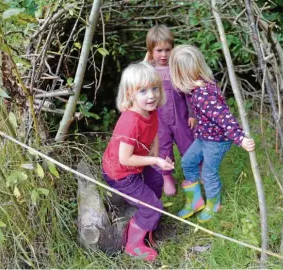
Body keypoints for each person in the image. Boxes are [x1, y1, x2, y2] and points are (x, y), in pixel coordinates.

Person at [169, 45, 256, 223]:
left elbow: (224, 117)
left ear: (181, 75)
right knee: (188, 161)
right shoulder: (199, 87)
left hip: (217, 141)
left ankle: (214, 204)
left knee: (209, 172)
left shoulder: (203, 95)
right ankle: (195, 200)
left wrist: (240, 138)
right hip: (204, 136)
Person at [102, 62, 174, 262]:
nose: (151, 95)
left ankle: (148, 221)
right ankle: (133, 245)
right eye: (142, 91)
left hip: (137, 164)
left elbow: (155, 134)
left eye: (154, 89)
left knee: (157, 182)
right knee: (152, 206)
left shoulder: (151, 111)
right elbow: (125, 159)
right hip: (120, 174)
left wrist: (156, 157)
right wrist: (155, 159)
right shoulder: (130, 122)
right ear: (130, 94)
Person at [145, 25, 196, 197]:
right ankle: (166, 177)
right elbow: (137, 87)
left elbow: (189, 92)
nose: (164, 55)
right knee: (162, 148)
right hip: (159, 120)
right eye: (159, 50)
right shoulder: (148, 71)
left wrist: (192, 113)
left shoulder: (178, 67)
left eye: (168, 50)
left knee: (188, 144)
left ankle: (195, 172)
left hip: (181, 117)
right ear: (150, 51)